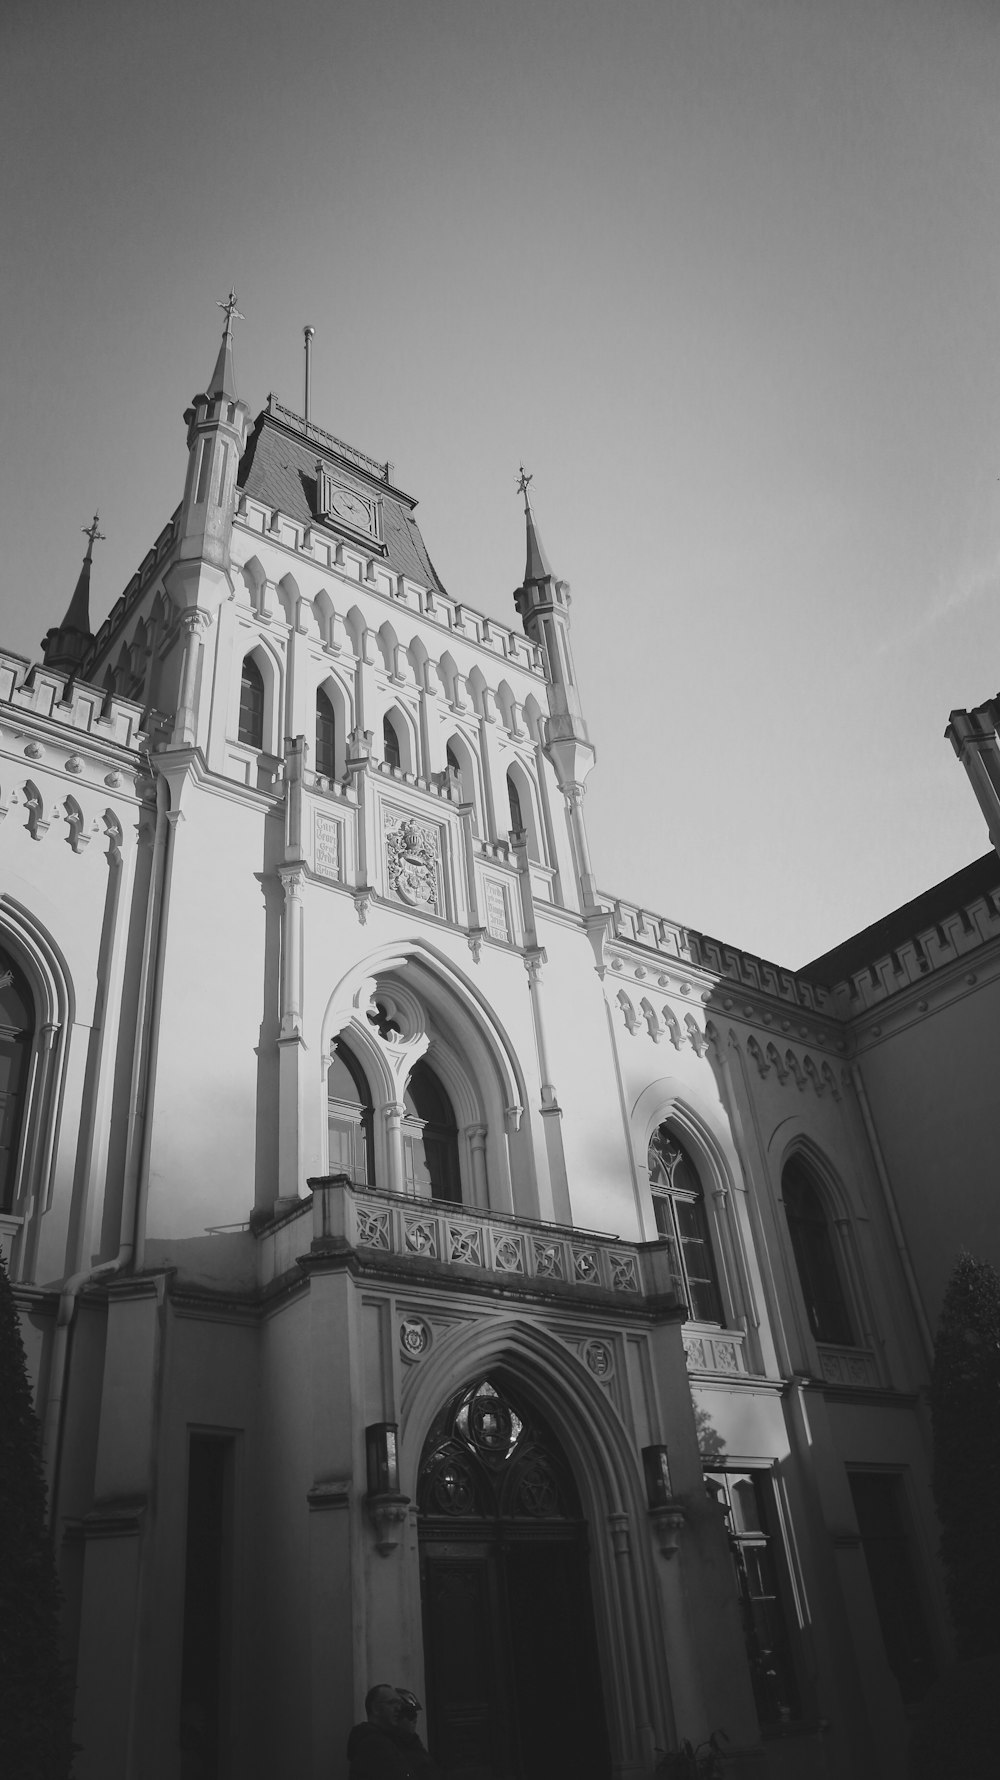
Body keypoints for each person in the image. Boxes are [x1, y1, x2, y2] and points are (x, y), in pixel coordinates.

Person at [346, 1685, 440, 1780]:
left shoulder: (393, 1740)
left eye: (399, 1704)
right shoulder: (372, 1743)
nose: (398, 1708)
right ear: (375, 1709)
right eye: (392, 1703)